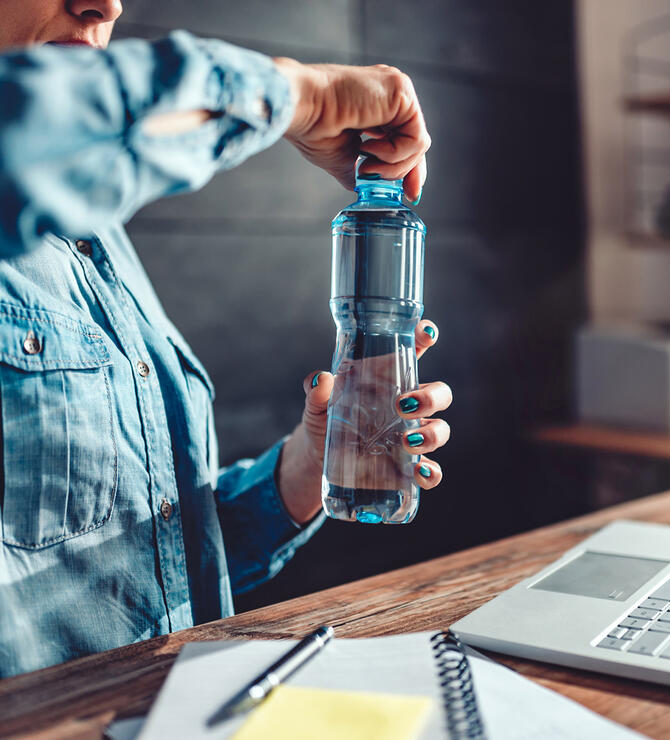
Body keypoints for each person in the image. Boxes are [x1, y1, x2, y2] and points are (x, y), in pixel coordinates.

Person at [0, 0, 452, 677]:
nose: (106, 3)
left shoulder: (99, 236)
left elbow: (126, 569)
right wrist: (305, 92)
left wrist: (305, 469)